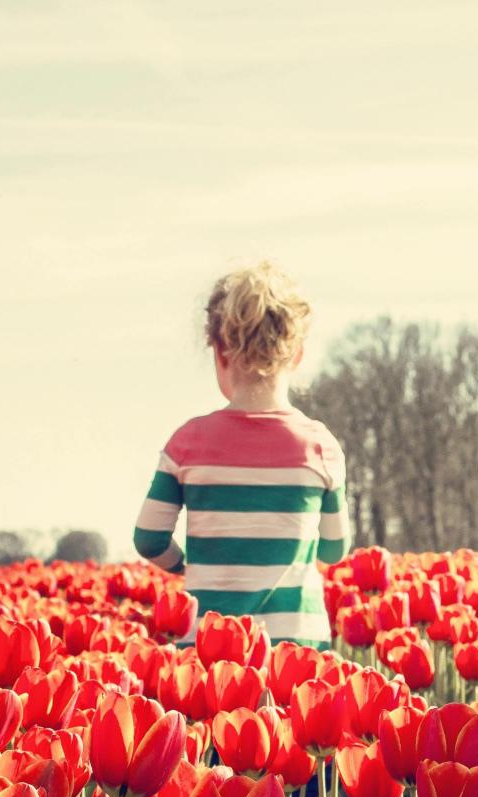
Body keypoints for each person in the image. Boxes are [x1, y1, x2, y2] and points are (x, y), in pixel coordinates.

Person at [132, 260, 349, 646]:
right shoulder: (319, 446)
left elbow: (148, 538)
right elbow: (335, 549)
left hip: (208, 642)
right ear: (297, 354)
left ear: (219, 353)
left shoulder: (188, 443)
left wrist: (187, 566)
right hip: (296, 641)